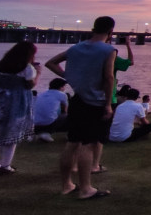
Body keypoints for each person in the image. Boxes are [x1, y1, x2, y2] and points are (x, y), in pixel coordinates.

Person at [45, 16, 116, 199]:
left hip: (77, 100)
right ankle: (86, 189)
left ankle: (66, 185)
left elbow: (50, 63)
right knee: (88, 144)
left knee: (72, 142)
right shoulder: (108, 50)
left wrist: (68, 76)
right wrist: (108, 104)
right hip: (95, 102)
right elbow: (109, 78)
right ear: (111, 31)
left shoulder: (76, 48)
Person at [0, 42, 40, 174]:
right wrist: (37, 73)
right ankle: (6, 165)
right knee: (13, 133)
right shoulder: (27, 68)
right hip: (19, 101)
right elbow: (30, 86)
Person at [33, 78, 69, 142]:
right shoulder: (62, 94)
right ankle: (70, 134)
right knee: (70, 116)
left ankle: (43, 133)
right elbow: (65, 110)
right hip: (48, 124)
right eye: (64, 87)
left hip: (35, 125)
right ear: (61, 87)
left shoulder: (41, 94)